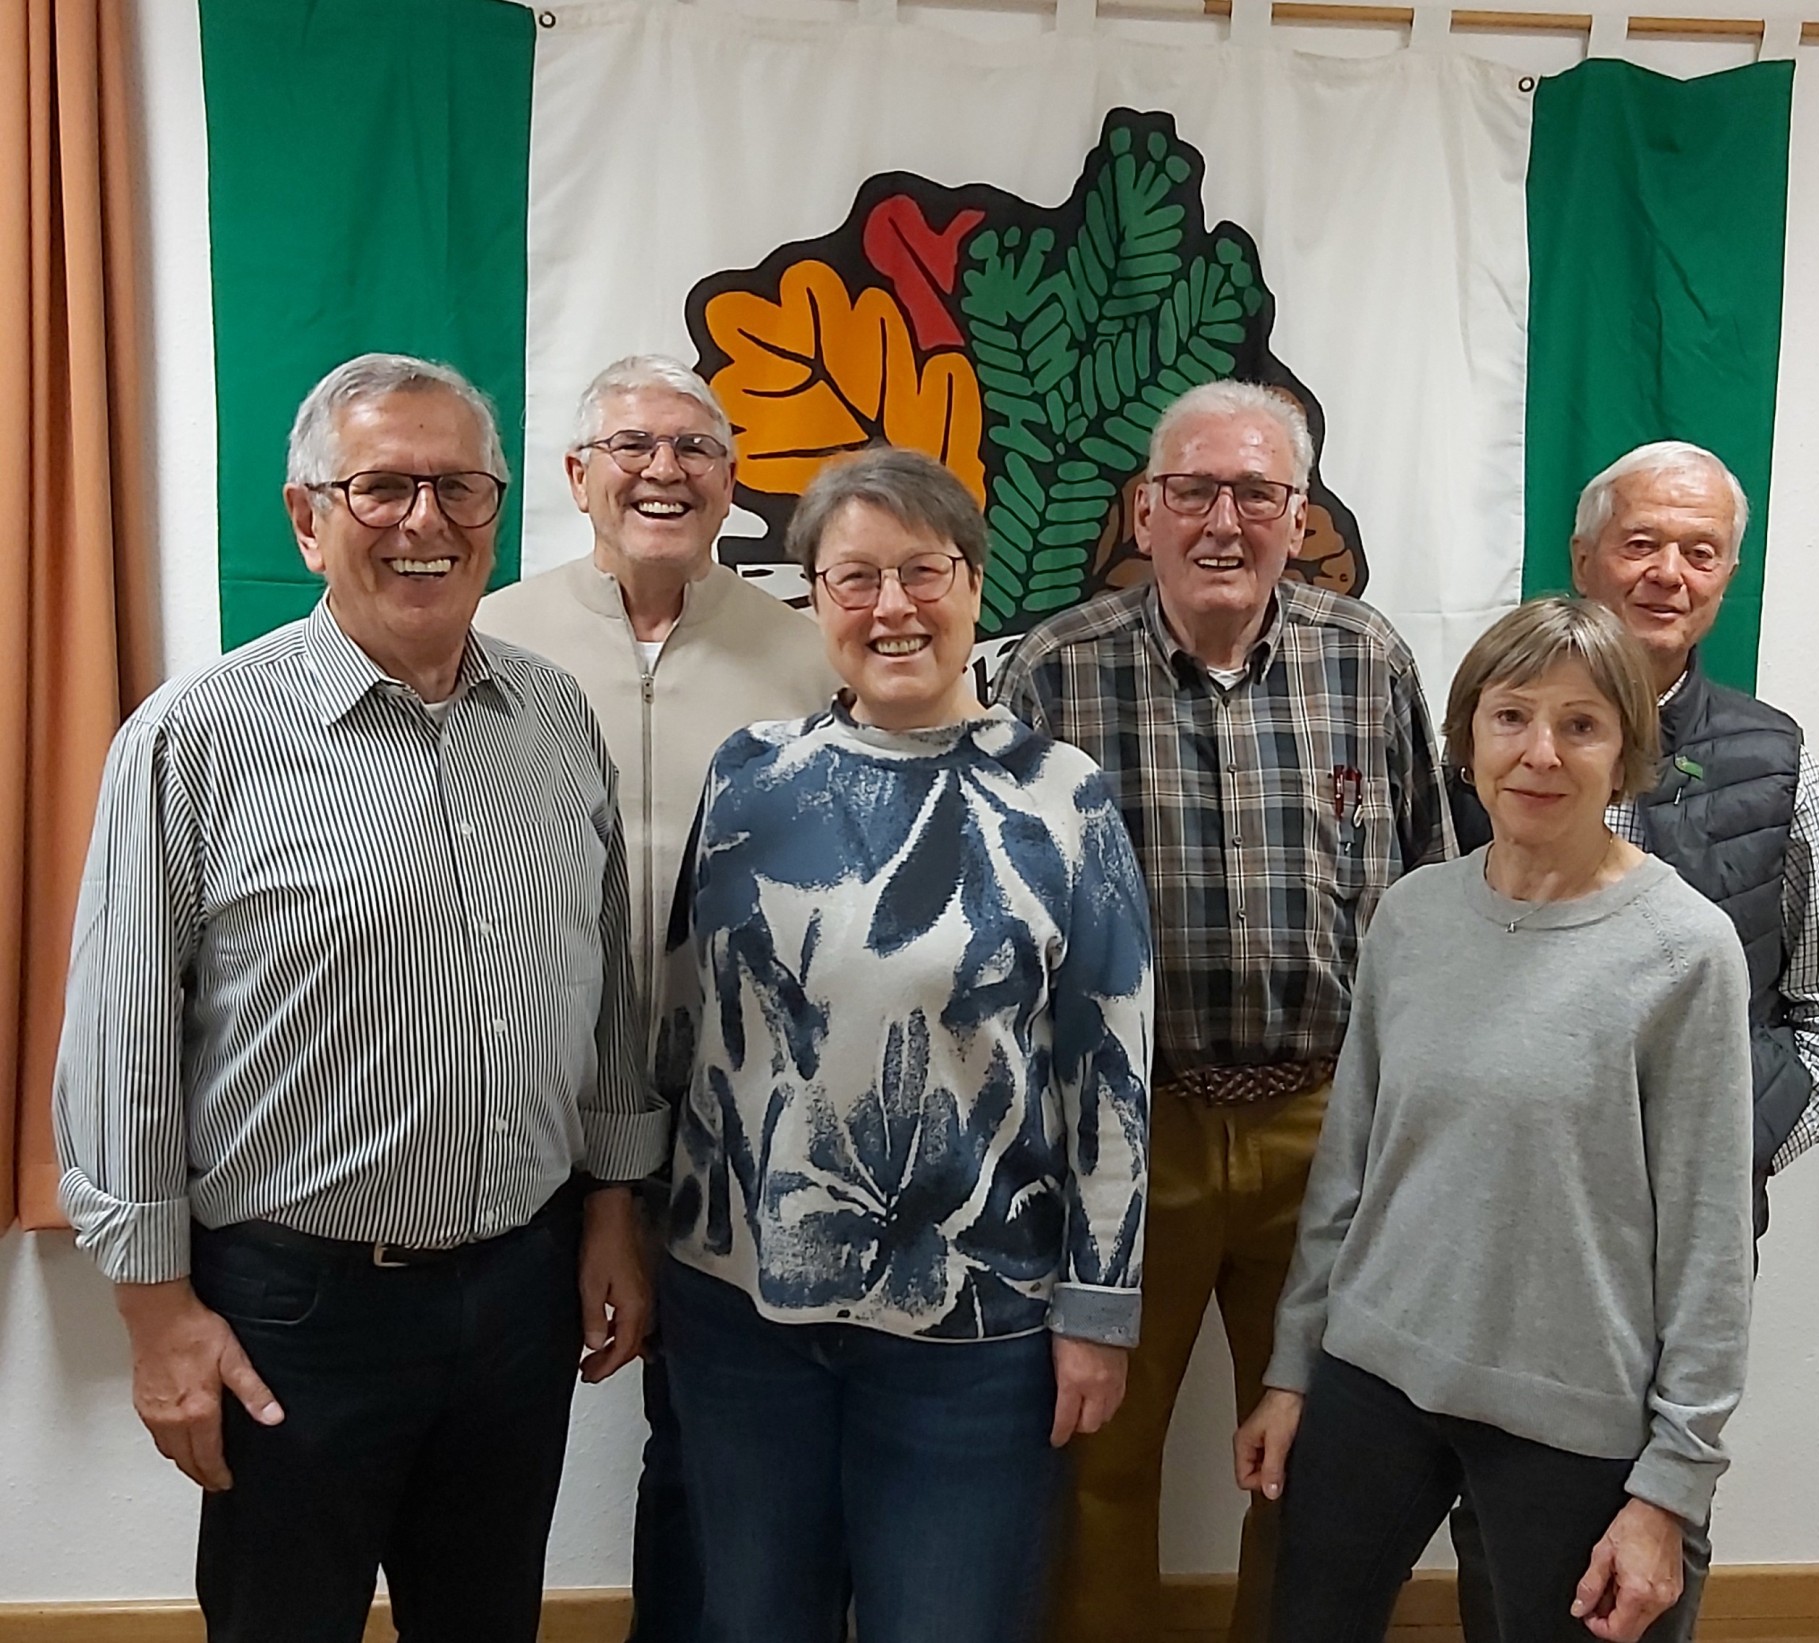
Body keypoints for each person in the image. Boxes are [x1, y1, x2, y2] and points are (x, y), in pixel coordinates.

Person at [51, 353, 665, 1643]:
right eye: (382, 486)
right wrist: (156, 1313)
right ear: (306, 517)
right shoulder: (195, 738)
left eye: (458, 487)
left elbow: (604, 985)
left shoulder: (553, 719)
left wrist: (611, 1205)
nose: (424, 520)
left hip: (521, 1287)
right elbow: (119, 1040)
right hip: (295, 1310)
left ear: (496, 508)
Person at [656, 446, 1153, 1643]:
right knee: (751, 1619)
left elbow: (1110, 1073)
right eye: (854, 576)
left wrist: (1099, 1307)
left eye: (922, 571)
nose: (891, 606)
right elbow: (681, 1021)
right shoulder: (749, 775)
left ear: (972, 583)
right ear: (814, 597)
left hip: (972, 1329)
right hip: (739, 1311)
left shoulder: (1060, 797)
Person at [994, 379, 1453, 1643]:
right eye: (1191, 488)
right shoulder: (1055, 672)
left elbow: (1428, 887)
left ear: (1298, 516)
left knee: (1317, 1452)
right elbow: (1002, 927)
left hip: (1327, 1127)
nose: (1221, 519)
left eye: (1255, 492)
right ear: (1143, 509)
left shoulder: (1367, 659)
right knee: (1095, 1453)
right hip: (1124, 1133)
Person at [1238, 596, 1755, 1643]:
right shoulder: (1412, 914)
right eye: (1511, 715)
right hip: (1373, 1371)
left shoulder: (1684, 950)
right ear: (1466, 735)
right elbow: (1347, 1171)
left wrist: (1672, 1484)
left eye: (1581, 723)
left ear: (1626, 752)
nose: (1539, 753)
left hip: (1571, 1409)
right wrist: (1292, 1368)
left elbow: (1709, 1244)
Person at [1447, 442, 1819, 1643]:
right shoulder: (1484, 740)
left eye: (1699, 552)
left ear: (1726, 576)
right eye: (1639, 541)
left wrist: (1727, 1148)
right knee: (1498, 1499)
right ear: (1581, 555)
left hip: (1677, 1238)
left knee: (1651, 1511)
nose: (1667, 572)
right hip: (1501, 1208)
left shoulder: (1771, 757)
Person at [477, 354, 837, 1643]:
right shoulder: (491, 636)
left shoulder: (806, 650)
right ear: (577, 475)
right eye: (632, 445)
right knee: (492, 1427)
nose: (663, 470)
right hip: (524, 1093)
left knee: (708, 1430)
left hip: (733, 1108)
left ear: (732, 484)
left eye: (694, 449)